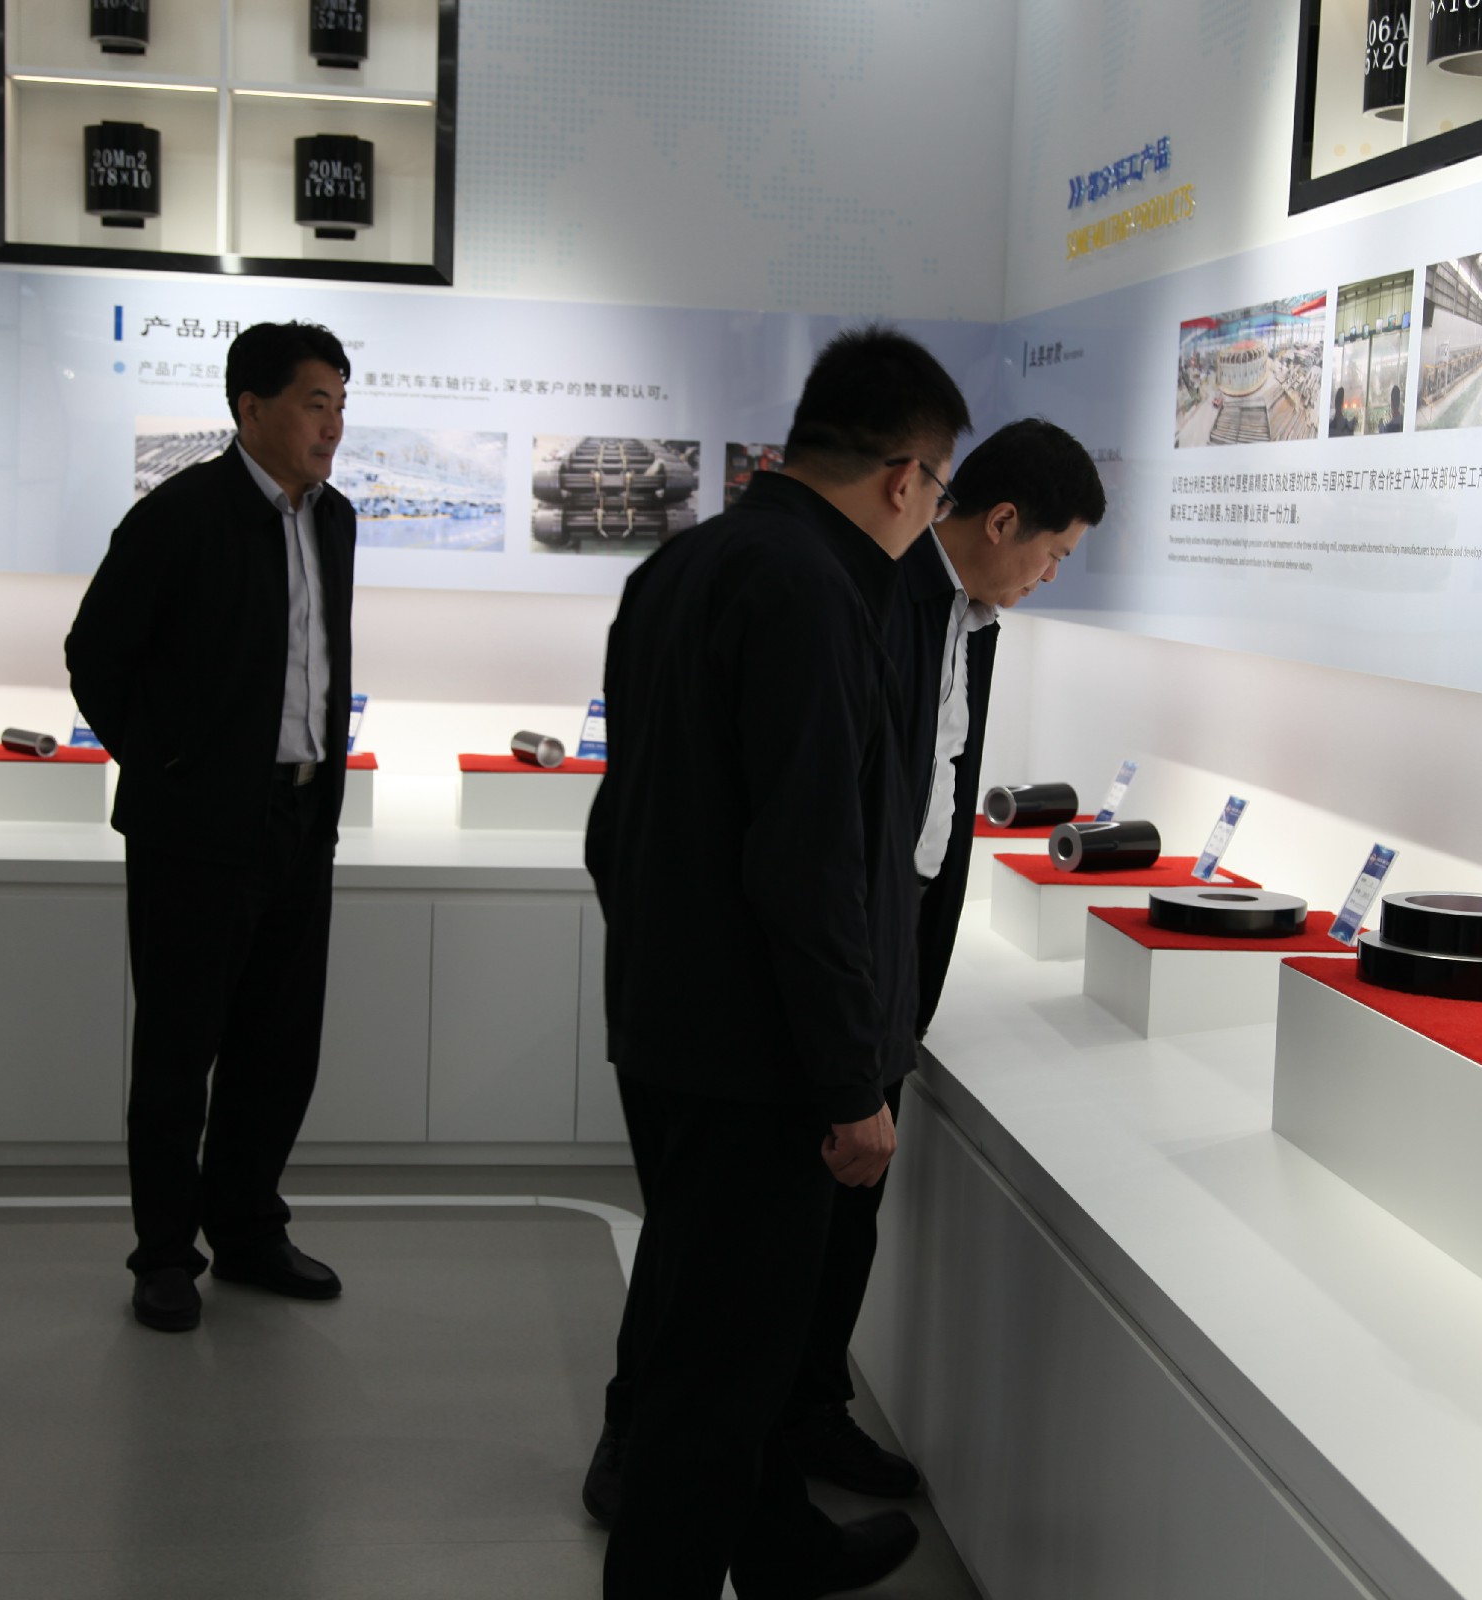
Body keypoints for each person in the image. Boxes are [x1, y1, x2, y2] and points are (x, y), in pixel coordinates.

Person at [584, 326, 968, 1597]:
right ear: (906, 477)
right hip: (761, 1067)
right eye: (938, 489)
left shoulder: (682, 564)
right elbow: (810, 865)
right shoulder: (817, 594)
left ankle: (780, 1540)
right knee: (717, 1376)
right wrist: (852, 1080)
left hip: (671, 1028)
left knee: (716, 1337)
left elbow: (617, 825)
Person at [778, 418, 1104, 1494]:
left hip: (898, 945)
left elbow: (938, 803)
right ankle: (670, 1448)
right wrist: (851, 1044)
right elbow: (827, 839)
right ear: (1002, 520)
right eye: (1053, 553)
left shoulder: (972, 619)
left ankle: (807, 1421)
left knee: (843, 1223)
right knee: (763, 1232)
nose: (1049, 577)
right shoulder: (878, 601)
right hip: (843, 951)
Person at [66, 322, 357, 1334]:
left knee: (279, 1046)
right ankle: (163, 1254)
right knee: (178, 1051)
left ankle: (247, 1229)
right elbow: (96, 656)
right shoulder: (180, 514)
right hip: (196, 828)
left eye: (341, 404)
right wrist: (171, 771)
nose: (334, 424)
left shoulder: (335, 519)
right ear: (251, 407)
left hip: (301, 816)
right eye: (316, 403)